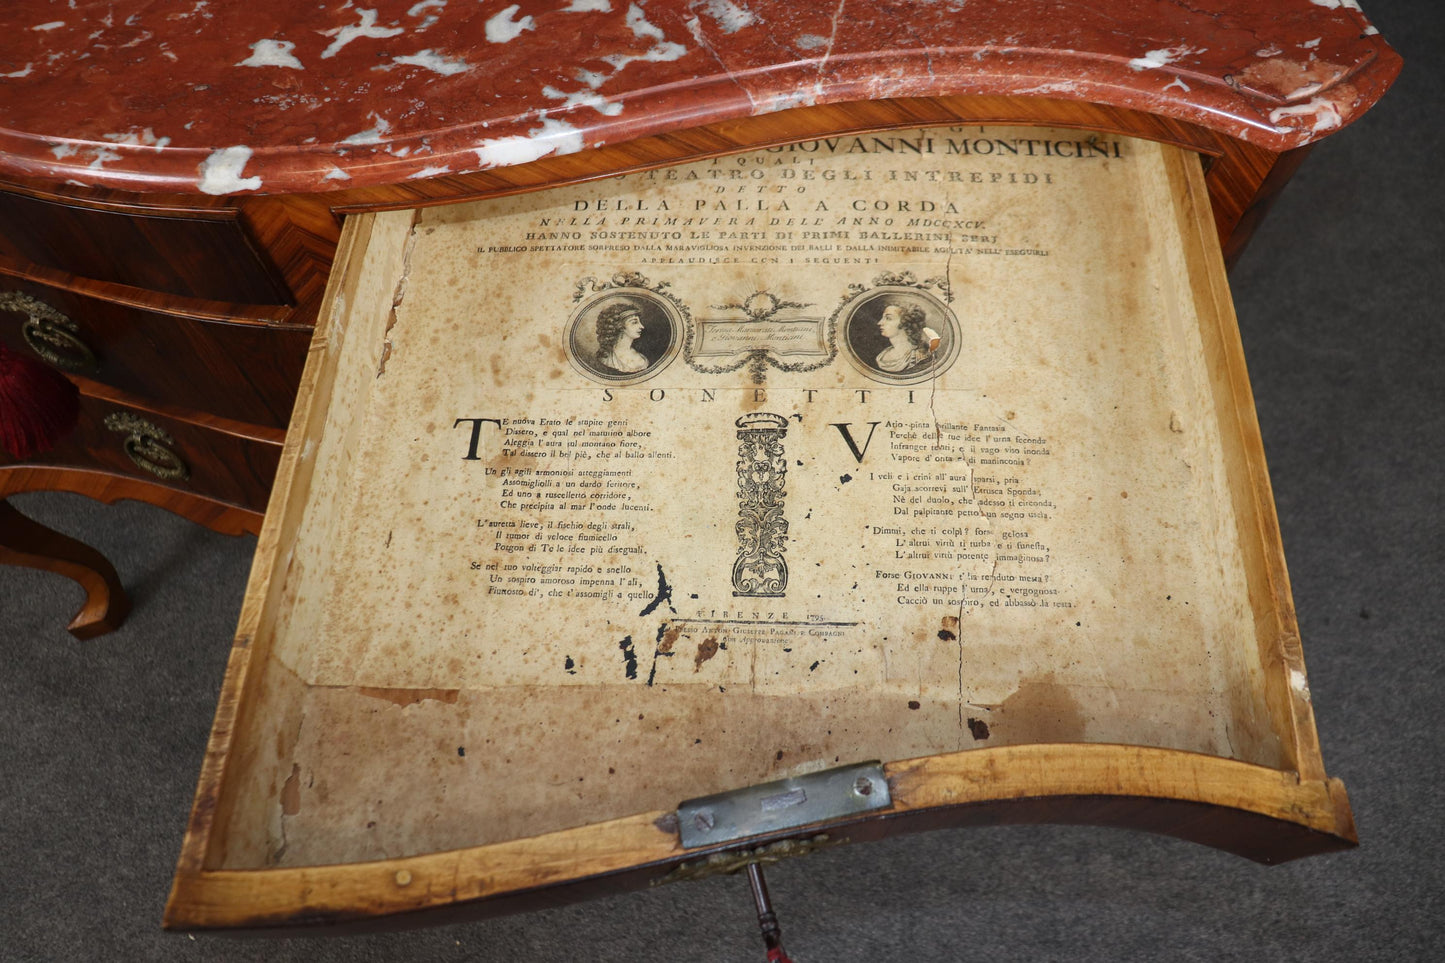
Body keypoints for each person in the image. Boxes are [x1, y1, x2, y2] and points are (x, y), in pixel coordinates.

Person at [875, 302, 939, 373]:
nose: (880, 323)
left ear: (905, 322)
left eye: (888, 318)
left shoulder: (921, 357)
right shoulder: (883, 355)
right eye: (882, 318)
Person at [594, 301, 649, 374]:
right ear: (620, 326)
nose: (642, 326)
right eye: (634, 322)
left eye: (639, 322)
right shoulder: (606, 359)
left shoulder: (642, 358)